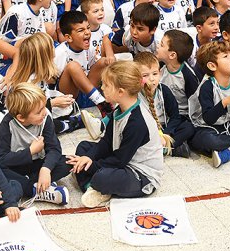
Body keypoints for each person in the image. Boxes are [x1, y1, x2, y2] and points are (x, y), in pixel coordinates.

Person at [67, 60, 164, 208]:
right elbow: (106, 142)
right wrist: (88, 158)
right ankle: (92, 187)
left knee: (101, 177)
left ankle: (95, 184)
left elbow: (120, 160)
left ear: (120, 92)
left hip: (140, 175)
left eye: (106, 85)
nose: (101, 88)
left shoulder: (137, 122)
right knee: (84, 148)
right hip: (122, 160)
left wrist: (92, 165)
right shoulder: (119, 110)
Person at [0, 83, 71, 203]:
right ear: (21, 117)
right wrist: (30, 151)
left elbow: (54, 149)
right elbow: (1, 159)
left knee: (68, 161)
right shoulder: (7, 125)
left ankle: (36, 184)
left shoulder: (45, 118)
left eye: (44, 107)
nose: (45, 112)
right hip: (15, 166)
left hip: (38, 164)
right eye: (39, 111)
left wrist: (46, 169)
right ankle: (36, 190)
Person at [135, 51, 194, 158]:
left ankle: (164, 148)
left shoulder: (164, 91)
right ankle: (171, 149)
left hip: (164, 128)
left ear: (160, 73)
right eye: (145, 75)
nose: (152, 79)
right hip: (146, 130)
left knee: (188, 127)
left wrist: (166, 134)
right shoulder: (135, 95)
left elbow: (175, 117)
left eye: (155, 73)